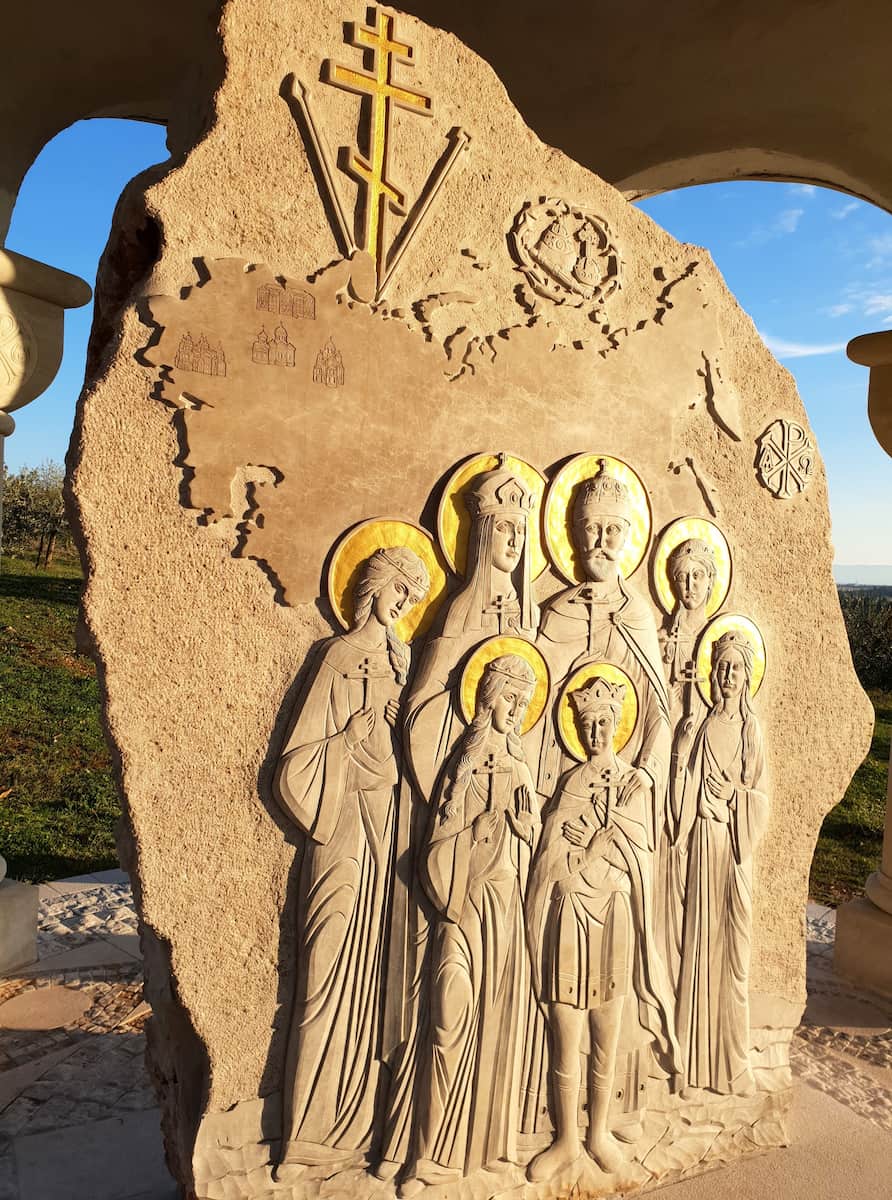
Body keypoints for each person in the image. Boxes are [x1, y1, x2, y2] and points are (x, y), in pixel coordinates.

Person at [273, 546, 429, 1174]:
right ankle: (306, 1133)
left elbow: (426, 758)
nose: (404, 605)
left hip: (392, 833)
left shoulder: (406, 663)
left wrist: (406, 725)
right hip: (341, 831)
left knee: (385, 975)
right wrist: (350, 736)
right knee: (327, 966)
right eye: (400, 591)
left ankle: (372, 1124)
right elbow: (295, 764)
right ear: (372, 586)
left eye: (413, 599)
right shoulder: (336, 658)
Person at [525, 677, 680, 1181]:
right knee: (565, 1029)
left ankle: (599, 1133)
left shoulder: (634, 785)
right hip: (571, 916)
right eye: (587, 723)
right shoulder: (572, 784)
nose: (595, 731)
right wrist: (585, 856)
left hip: (612, 915)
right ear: (577, 728)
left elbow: (640, 856)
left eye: (604, 722)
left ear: (617, 725)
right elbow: (549, 859)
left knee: (605, 1030)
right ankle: (566, 1139)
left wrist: (604, 852)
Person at [398, 655, 539, 1194]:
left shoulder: (520, 767)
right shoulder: (465, 762)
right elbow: (433, 850)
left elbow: (535, 844)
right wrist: (474, 833)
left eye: (523, 703)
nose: (516, 710)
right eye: (509, 699)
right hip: (462, 908)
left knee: (499, 1024)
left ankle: (488, 1150)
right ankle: (429, 1155)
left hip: (504, 908)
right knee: (448, 1017)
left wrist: (524, 829)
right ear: (488, 698)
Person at [405, 455, 539, 806]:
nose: (515, 540)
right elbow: (422, 702)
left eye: (521, 529)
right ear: (482, 532)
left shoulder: (529, 616)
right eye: (504, 527)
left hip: (510, 773)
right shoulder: (461, 610)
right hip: (465, 768)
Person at [674, 630, 768, 1097]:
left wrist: (734, 796)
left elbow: (760, 796)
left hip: (733, 848)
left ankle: (732, 1064)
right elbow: (685, 786)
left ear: (748, 675)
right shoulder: (704, 726)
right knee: (700, 949)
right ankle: (691, 1067)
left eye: (736, 667)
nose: (728, 675)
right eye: (723, 666)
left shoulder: (751, 730)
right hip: (704, 844)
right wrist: (682, 749)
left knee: (733, 951)